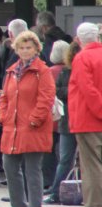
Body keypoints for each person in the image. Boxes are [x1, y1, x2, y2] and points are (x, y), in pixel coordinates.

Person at [0, 30, 55, 207]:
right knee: (10, 166)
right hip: (12, 127)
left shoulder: (43, 71)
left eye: (28, 47)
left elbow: (46, 98)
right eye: (21, 48)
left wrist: (34, 120)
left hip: (32, 127)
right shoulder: (12, 71)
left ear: (36, 49)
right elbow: (4, 96)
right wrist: (4, 116)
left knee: (32, 170)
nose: (24, 51)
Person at [68, 22, 102, 207]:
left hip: (88, 120)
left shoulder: (82, 58)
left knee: (92, 167)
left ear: (78, 40)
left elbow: (88, 90)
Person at [45, 40, 79, 204]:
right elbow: (56, 91)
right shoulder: (65, 72)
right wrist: (75, 90)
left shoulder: (62, 72)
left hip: (70, 120)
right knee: (66, 158)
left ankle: (56, 192)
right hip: (68, 120)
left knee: (65, 158)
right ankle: (56, 192)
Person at [41, 40, 70, 189]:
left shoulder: (49, 71)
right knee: (64, 154)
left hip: (52, 116)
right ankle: (61, 182)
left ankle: (48, 180)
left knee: (49, 151)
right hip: (66, 116)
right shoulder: (69, 70)